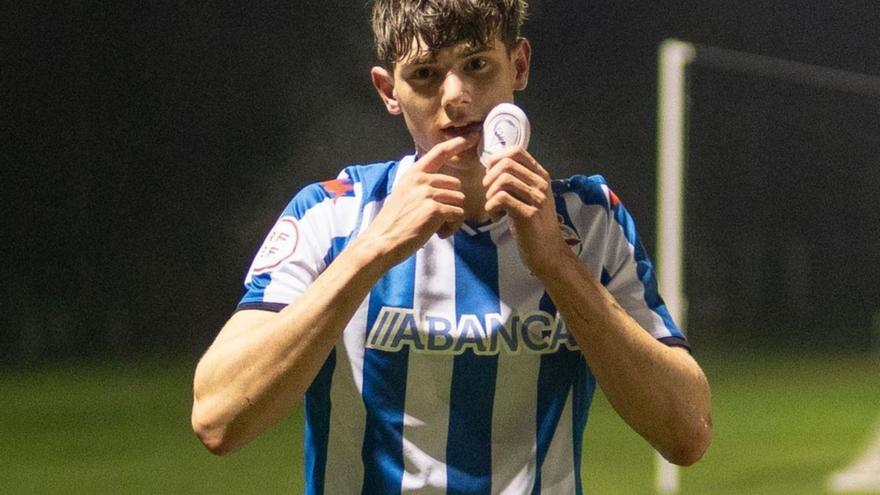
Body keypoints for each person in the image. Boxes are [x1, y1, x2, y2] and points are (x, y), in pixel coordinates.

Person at [191, 1, 712, 492]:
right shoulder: (331, 216)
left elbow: (687, 433)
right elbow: (218, 418)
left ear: (519, 64)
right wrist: (371, 252)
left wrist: (557, 265)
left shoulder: (591, 221)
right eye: (425, 74)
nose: (456, 96)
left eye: (478, 64)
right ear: (387, 90)